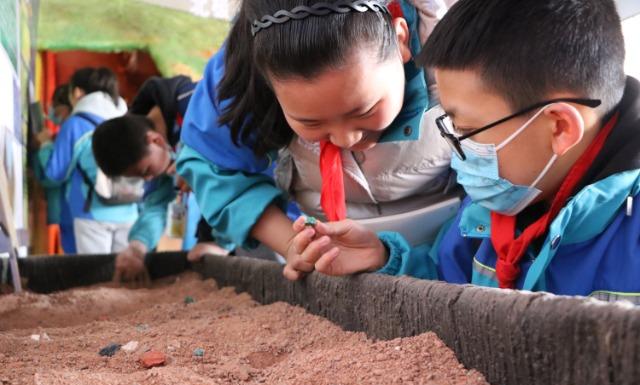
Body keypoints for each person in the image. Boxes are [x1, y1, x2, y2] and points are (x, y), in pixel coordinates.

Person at [288, 0, 640, 302]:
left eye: (468, 130)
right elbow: (449, 281)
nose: (459, 153)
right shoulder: (489, 209)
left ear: (560, 127)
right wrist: (384, 259)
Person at [177, 0, 460, 280]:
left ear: (401, 40)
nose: (345, 138)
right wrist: (296, 246)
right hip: (333, 253)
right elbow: (212, 163)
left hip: (462, 249)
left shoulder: (460, 37)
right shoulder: (244, 65)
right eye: (310, 122)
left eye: (365, 110)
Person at [93, 114, 229, 280]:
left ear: (156, 140)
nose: (148, 178)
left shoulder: (198, 125)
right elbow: (158, 205)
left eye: (146, 171)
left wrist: (222, 244)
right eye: (140, 177)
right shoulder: (160, 157)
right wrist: (137, 246)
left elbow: (230, 184)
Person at [39, 67, 138, 254]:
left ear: (77, 92)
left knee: (95, 277)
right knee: (124, 277)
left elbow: (55, 173)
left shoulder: (76, 124)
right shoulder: (127, 120)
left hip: (92, 214)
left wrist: (45, 146)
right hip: (129, 209)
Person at [34, 84, 73, 254]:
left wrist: (46, 145)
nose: (52, 114)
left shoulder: (72, 129)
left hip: (69, 210)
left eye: (56, 109)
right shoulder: (66, 131)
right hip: (65, 211)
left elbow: (53, 176)